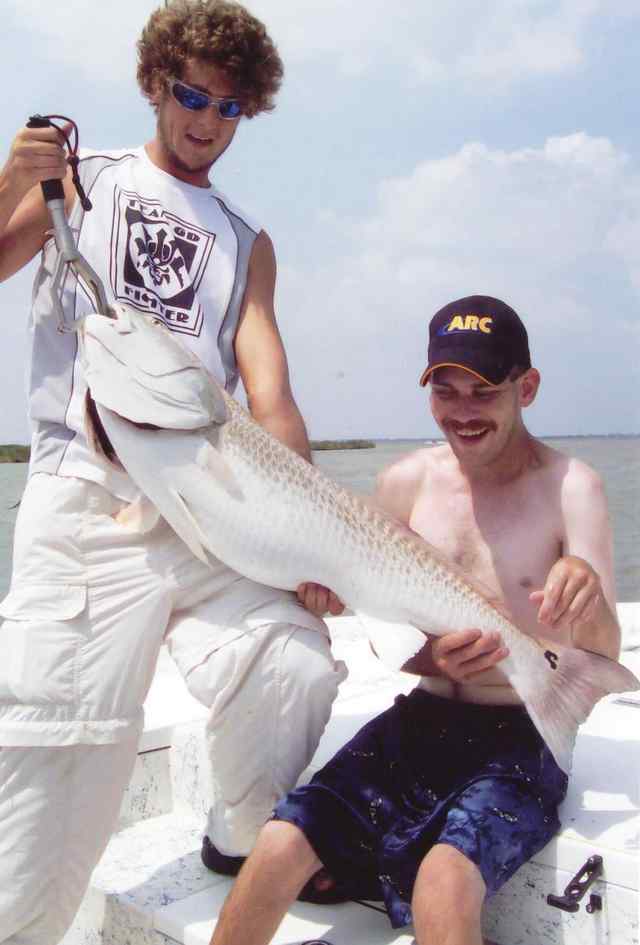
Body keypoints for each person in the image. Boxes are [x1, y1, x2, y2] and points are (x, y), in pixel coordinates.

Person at [0, 2, 346, 942]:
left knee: (293, 661)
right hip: (87, 496)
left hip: (206, 506)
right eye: (192, 96)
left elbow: (272, 397)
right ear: (156, 83)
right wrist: (13, 182)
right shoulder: (84, 179)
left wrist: (308, 543)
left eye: (230, 108)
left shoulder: (246, 240)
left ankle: (242, 839)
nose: (207, 121)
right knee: (58, 765)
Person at [209, 294, 622, 945]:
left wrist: (589, 595)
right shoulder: (404, 482)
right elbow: (384, 626)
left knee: (442, 882)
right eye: (445, 391)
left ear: (527, 387)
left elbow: (603, 653)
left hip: (522, 737)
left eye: (484, 391)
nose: (463, 411)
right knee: (278, 842)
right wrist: (398, 637)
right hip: (421, 718)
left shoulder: (573, 487)